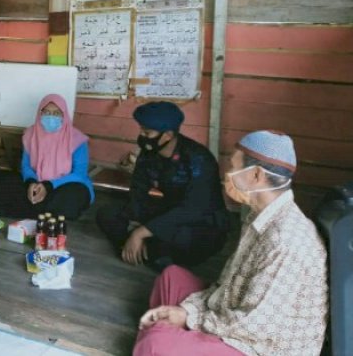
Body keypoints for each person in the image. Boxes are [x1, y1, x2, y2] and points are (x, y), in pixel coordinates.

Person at [134, 131, 328, 356]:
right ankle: (167, 338)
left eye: (234, 167)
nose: (228, 175)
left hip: (259, 346)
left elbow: (253, 325)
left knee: (156, 343)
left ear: (256, 175)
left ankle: (160, 341)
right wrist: (188, 310)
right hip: (232, 312)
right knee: (171, 277)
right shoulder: (260, 215)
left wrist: (190, 316)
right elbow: (228, 282)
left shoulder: (285, 240)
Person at [96, 101, 229, 270]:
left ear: (167, 135)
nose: (142, 136)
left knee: (188, 239)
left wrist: (142, 231)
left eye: (147, 132)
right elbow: (138, 192)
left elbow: (194, 209)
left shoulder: (198, 159)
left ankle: (146, 248)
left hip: (202, 220)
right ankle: (145, 249)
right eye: (141, 130)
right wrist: (140, 222)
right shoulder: (149, 154)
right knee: (108, 213)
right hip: (168, 210)